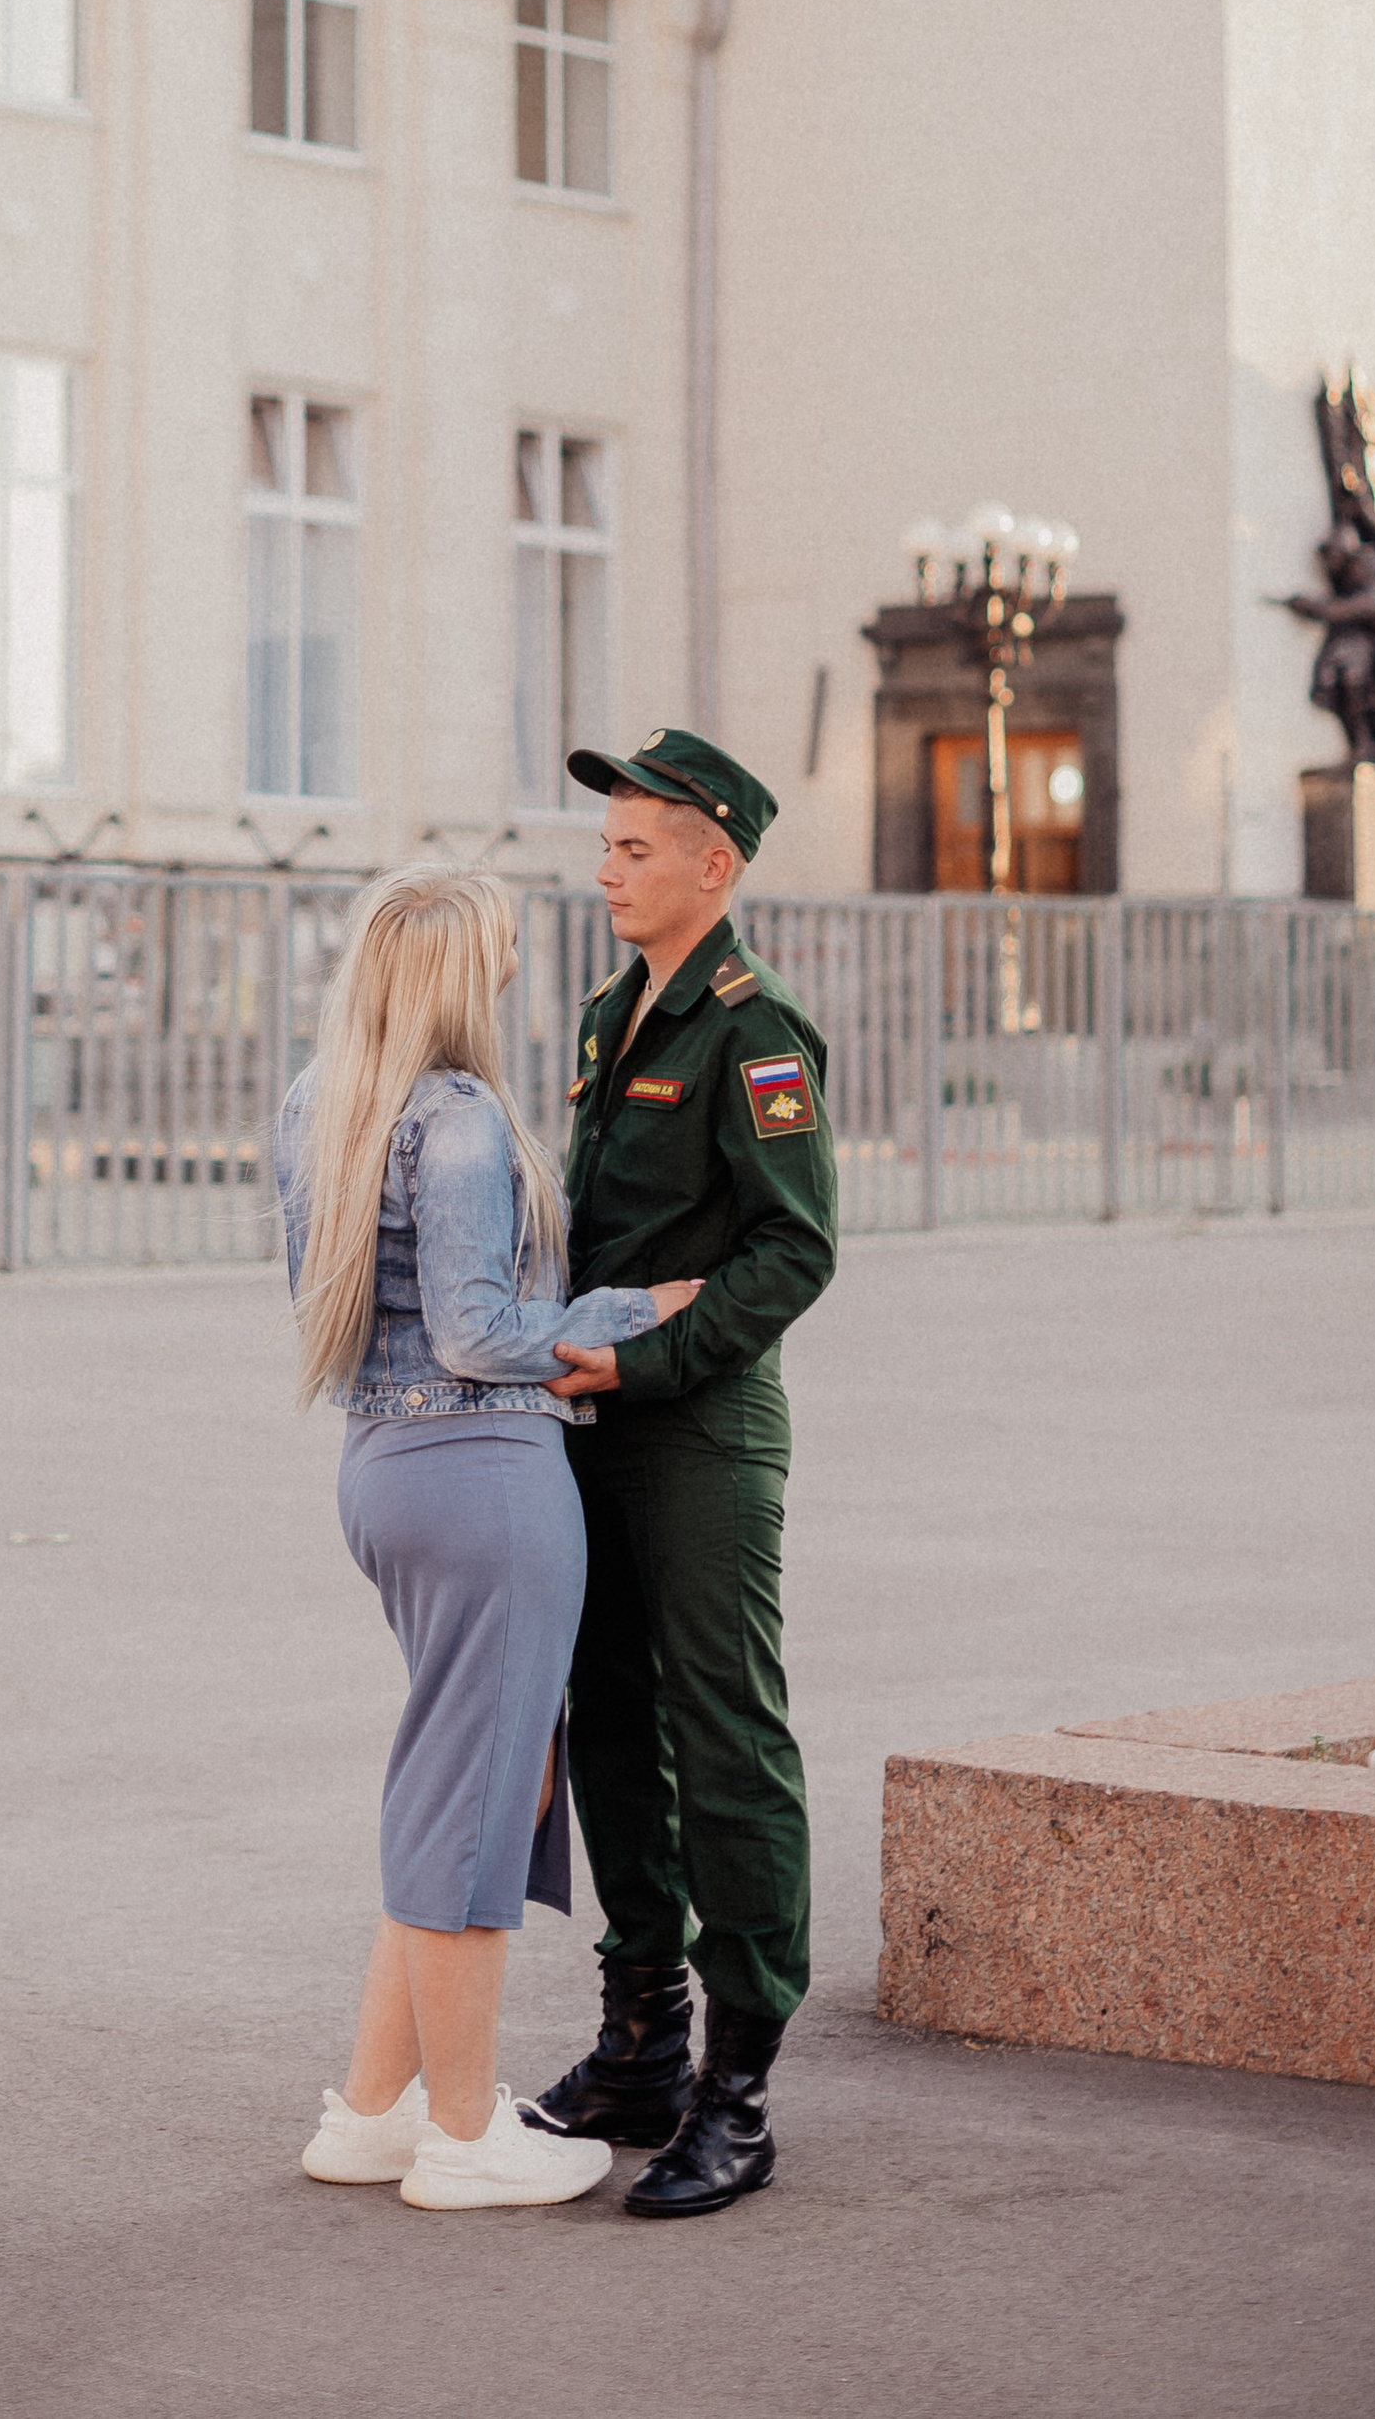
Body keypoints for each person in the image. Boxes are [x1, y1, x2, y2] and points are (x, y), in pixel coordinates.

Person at [273, 863, 703, 2213]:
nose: (521, 964)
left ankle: (375, 2106)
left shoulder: (317, 1103)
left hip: (384, 1466)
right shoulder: (456, 1117)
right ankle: (465, 2133)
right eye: (507, 945)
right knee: (480, 1788)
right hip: (483, 1471)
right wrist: (635, 1309)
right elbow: (473, 1332)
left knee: (462, 1778)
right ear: (463, 971)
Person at [521, 729, 838, 2220]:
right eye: (605, 847)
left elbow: (795, 1251)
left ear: (716, 859)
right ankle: (640, 2038)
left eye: (634, 846)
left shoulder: (751, 1027)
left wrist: (648, 1355)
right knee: (610, 1724)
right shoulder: (608, 1012)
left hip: (701, 1430)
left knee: (724, 1731)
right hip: (594, 1423)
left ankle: (742, 2079)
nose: (608, 869)